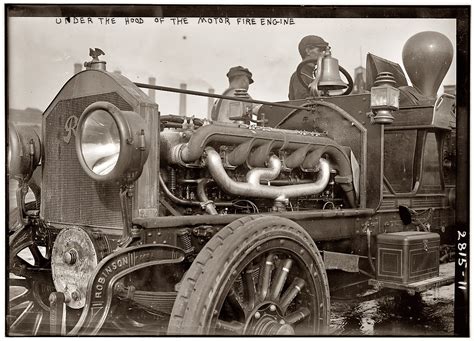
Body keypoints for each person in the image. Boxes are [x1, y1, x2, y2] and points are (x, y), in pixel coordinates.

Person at [288, 35, 329, 100]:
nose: (324, 54)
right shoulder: (300, 75)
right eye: (320, 50)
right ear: (308, 51)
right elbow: (302, 102)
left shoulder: (313, 75)